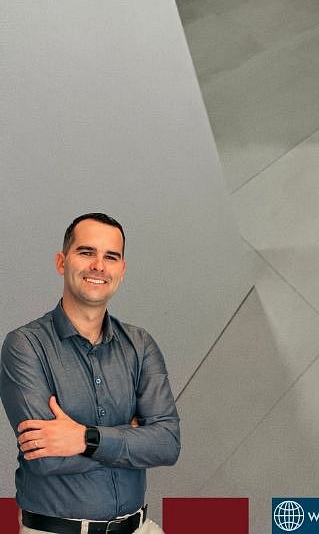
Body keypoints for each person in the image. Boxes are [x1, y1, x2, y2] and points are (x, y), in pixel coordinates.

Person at [0, 213, 180, 534]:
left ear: (121, 270)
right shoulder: (24, 345)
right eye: (86, 252)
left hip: (138, 528)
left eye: (111, 257)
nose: (99, 265)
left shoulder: (140, 345)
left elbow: (166, 443)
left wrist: (83, 438)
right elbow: (45, 457)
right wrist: (132, 437)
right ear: (61, 262)